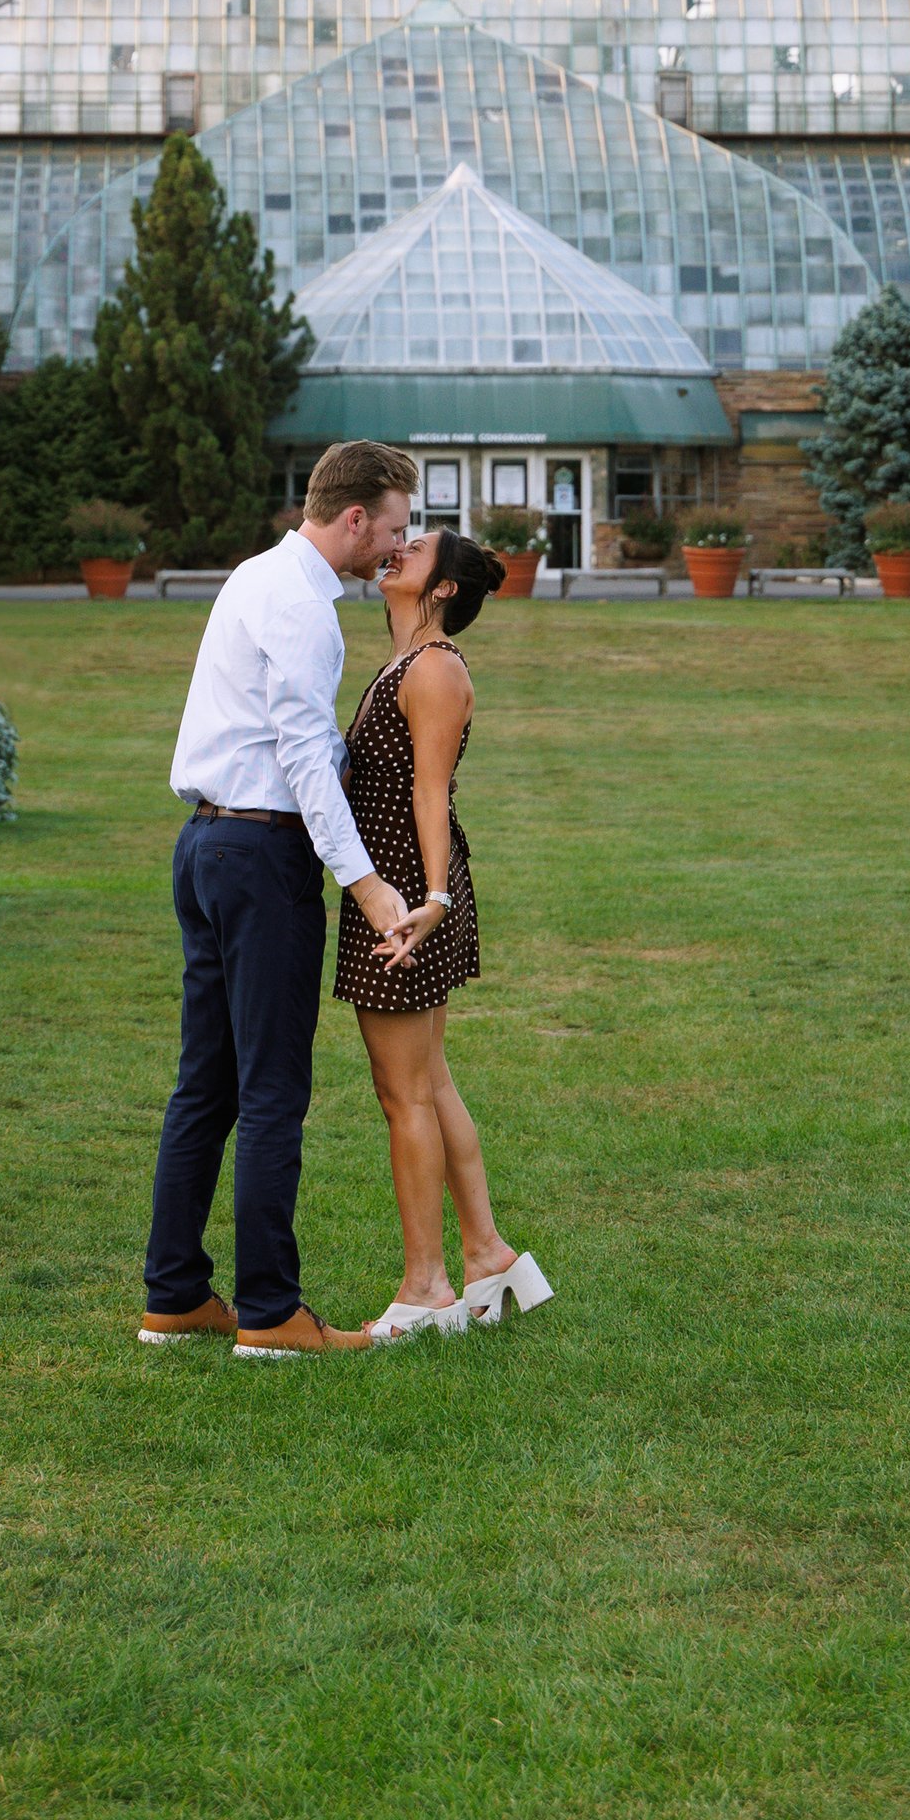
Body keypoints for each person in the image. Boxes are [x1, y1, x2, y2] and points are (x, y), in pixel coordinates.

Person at [138, 439, 422, 1360]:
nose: (396, 545)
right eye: (393, 527)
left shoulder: (255, 575)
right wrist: (368, 883)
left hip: (205, 848)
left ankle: (176, 1298)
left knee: (205, 1086)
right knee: (269, 1091)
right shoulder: (304, 607)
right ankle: (269, 1313)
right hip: (261, 858)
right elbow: (301, 757)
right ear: (353, 519)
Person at [335, 525, 555, 1342]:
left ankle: (427, 1287)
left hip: (402, 901)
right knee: (429, 1080)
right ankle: (489, 1255)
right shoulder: (406, 662)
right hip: (404, 893)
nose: (396, 549)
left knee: (405, 1094)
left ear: (442, 589)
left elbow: (432, 793)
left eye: (415, 549)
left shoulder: (431, 670)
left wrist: (428, 901)